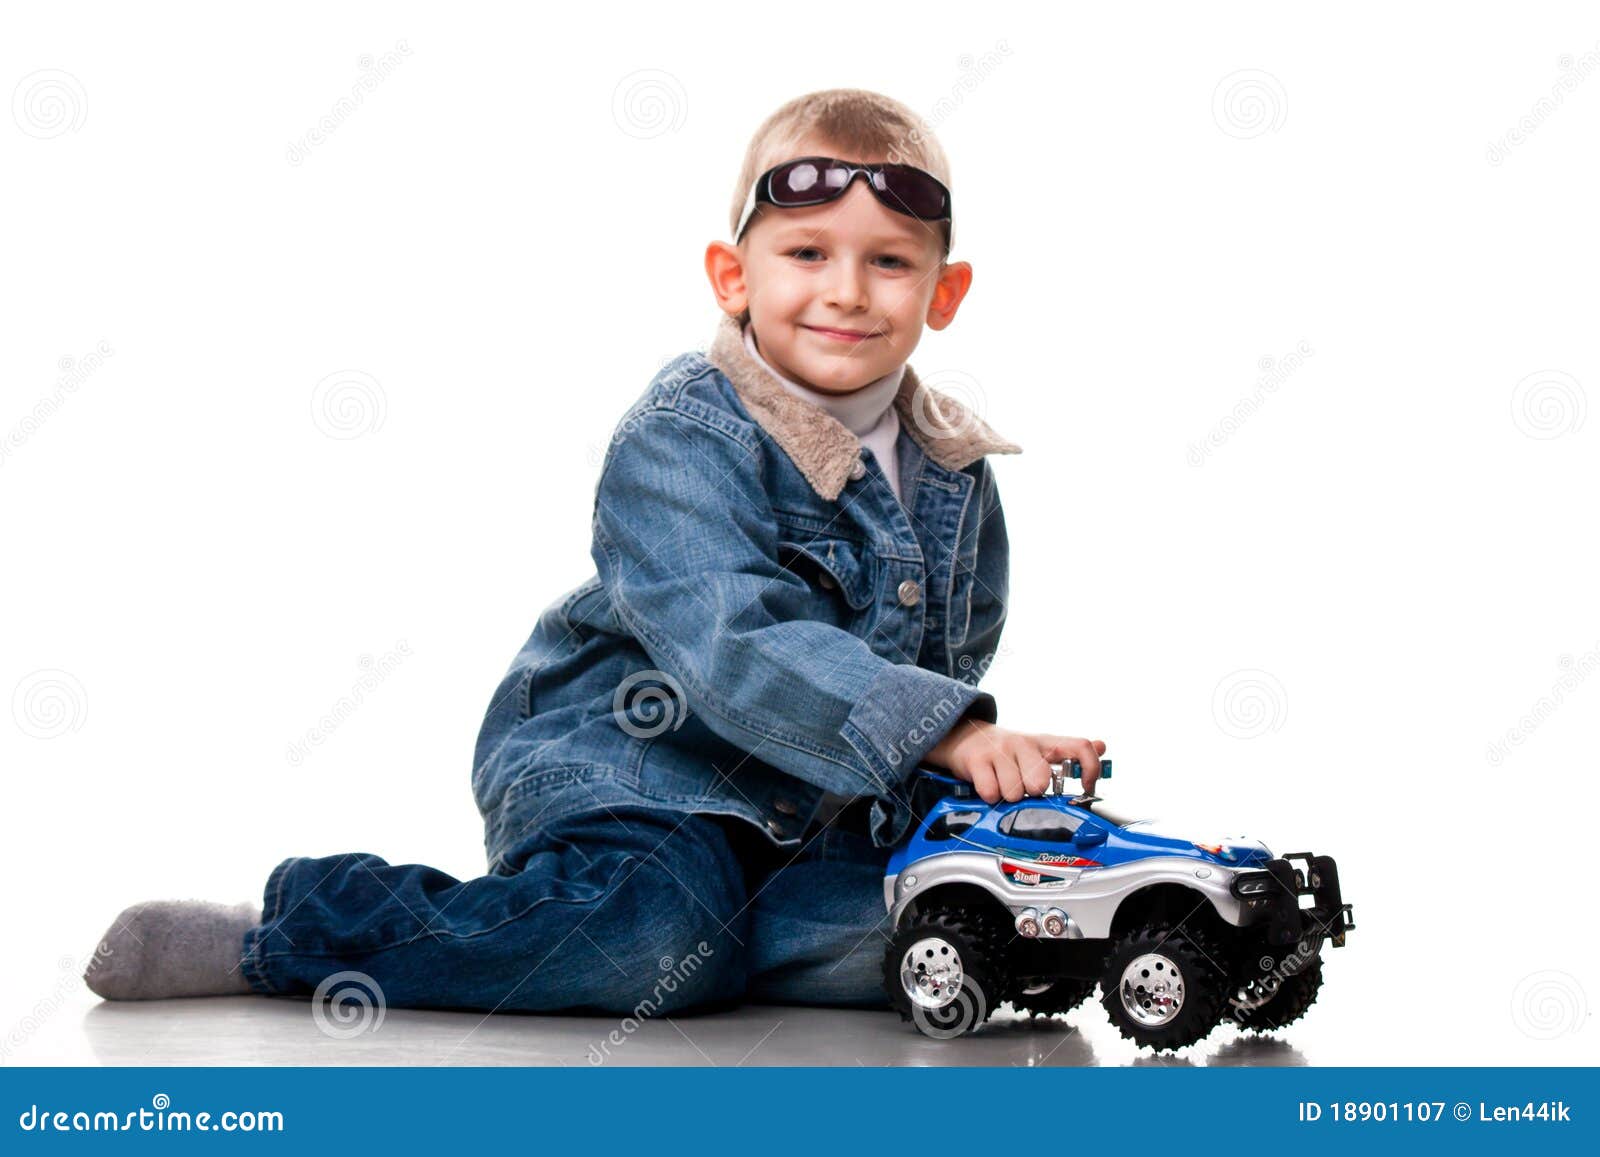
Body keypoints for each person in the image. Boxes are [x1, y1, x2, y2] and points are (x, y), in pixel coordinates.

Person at [82, 87, 1107, 1016]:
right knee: (652, 929)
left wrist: (969, 794)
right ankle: (298, 929)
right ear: (731, 276)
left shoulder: (954, 468)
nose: (846, 290)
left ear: (943, 291)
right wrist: (946, 730)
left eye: (888, 260)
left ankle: (724, 932)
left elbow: (948, 646)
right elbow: (728, 640)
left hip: (805, 809)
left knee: (945, 915)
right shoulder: (683, 435)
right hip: (633, 769)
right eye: (806, 254)